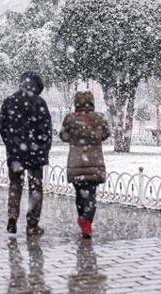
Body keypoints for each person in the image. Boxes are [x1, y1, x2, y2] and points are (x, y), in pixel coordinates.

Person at [0, 71, 52, 236]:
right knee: (35, 188)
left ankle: (12, 216)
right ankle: (32, 225)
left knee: (15, 185)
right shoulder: (40, 103)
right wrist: (43, 148)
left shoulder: (9, 101)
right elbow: (46, 130)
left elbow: (2, 126)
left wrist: (11, 143)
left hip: (15, 153)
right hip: (35, 153)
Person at [59, 90, 110, 239]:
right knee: (91, 195)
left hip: (76, 163)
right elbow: (106, 134)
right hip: (94, 162)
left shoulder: (70, 119)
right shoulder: (99, 118)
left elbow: (63, 136)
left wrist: (75, 137)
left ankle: (83, 219)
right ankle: (87, 221)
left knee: (80, 195)